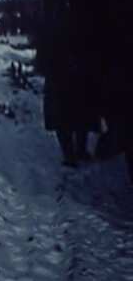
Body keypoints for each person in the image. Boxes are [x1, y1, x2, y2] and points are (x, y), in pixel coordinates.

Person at [40, 14, 100, 168]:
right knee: (78, 115)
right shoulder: (84, 21)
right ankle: (77, 151)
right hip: (74, 77)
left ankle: (72, 154)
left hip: (64, 78)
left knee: (66, 118)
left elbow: (43, 56)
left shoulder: (52, 23)